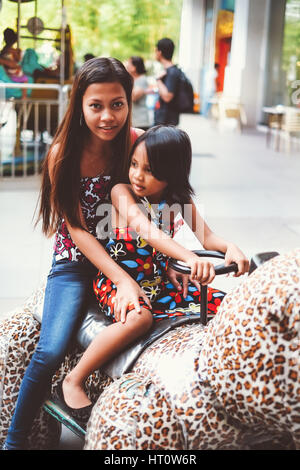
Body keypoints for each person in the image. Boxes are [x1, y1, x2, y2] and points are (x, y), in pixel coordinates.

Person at [2, 57, 151, 450]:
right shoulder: (63, 153)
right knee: (50, 349)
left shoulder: (136, 142)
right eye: (96, 105)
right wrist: (122, 279)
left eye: (117, 104)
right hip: (75, 264)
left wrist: (189, 255)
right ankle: (14, 442)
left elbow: (169, 199)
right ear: (79, 105)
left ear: (129, 102)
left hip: (130, 257)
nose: (107, 116)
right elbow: (77, 229)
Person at [56, 125, 249, 426]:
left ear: (171, 173)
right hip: (119, 282)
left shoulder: (178, 199)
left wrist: (231, 248)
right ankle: (74, 378)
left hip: (157, 282)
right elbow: (145, 228)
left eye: (149, 170)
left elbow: (208, 238)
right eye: (134, 164)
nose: (137, 175)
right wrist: (184, 256)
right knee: (140, 319)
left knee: (222, 304)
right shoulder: (122, 193)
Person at [154, 38, 181, 126]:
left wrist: (158, 80)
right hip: (165, 121)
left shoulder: (172, 72)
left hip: (167, 123)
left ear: (159, 52)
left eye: (155, 51)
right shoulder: (169, 71)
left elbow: (167, 97)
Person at [126, 56, 151, 130]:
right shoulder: (133, 80)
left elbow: (134, 97)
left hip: (141, 122)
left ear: (135, 67)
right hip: (134, 121)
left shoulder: (142, 79)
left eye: (129, 64)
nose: (127, 66)